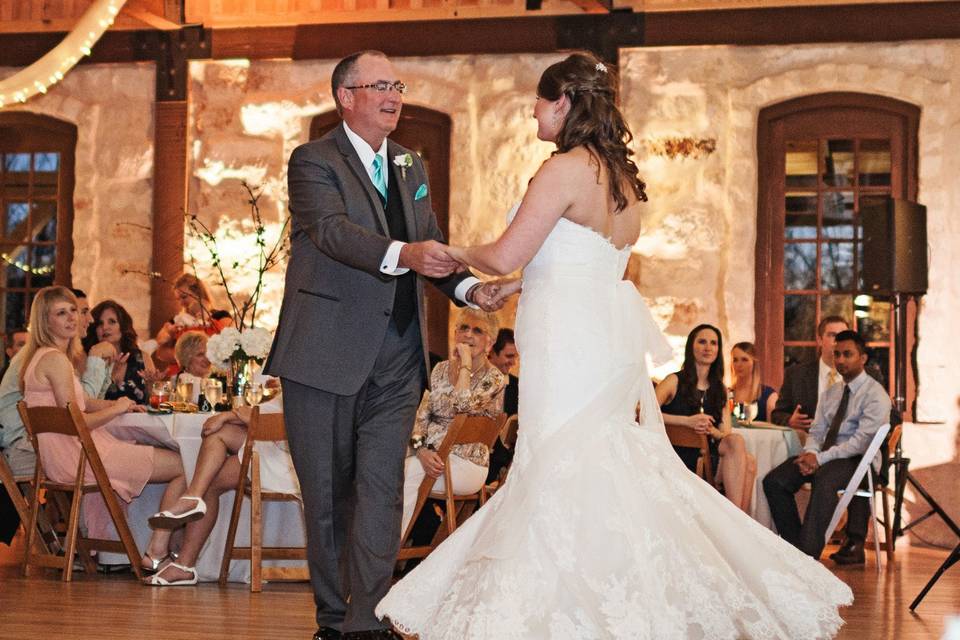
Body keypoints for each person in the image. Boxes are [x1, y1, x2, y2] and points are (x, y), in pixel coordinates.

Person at [376, 52, 852, 638]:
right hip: (593, 336)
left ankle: (562, 609)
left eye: (539, 100)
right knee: (592, 458)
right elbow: (585, 261)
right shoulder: (625, 182)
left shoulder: (563, 169)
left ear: (564, 103)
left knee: (556, 462)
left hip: (561, 339)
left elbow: (505, 251)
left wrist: (447, 254)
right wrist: (512, 286)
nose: (531, 110)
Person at [262, 50, 502, 639]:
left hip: (398, 356)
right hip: (323, 353)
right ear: (347, 97)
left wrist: (471, 289)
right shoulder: (312, 161)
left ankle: (366, 622)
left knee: (380, 492)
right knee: (325, 494)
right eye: (380, 86)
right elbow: (333, 232)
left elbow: (430, 244)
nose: (394, 95)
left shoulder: (411, 166)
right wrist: (405, 255)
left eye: (398, 84)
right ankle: (331, 618)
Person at [19, 286, 189, 573]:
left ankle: (146, 546)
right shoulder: (55, 360)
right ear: (45, 321)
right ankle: (158, 548)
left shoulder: (40, 358)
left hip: (63, 459)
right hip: (81, 458)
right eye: (62, 313)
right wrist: (117, 409)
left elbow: (80, 402)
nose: (72, 318)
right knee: (184, 465)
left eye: (73, 310)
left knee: (156, 453)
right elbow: (76, 421)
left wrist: (121, 403)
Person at [763, 330, 891, 565]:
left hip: (860, 463)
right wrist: (811, 452)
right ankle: (796, 549)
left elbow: (861, 443)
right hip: (826, 458)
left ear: (862, 359)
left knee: (824, 477)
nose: (840, 360)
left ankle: (808, 557)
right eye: (837, 354)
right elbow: (818, 431)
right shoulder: (831, 393)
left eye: (848, 354)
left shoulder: (876, 395)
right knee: (775, 481)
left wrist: (819, 460)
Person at [142, 396, 297, 586]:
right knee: (216, 440)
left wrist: (239, 417)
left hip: (302, 461)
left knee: (209, 478)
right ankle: (193, 498)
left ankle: (184, 562)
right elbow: (273, 407)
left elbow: (301, 421)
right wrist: (230, 416)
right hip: (277, 445)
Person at [400, 308, 506, 535]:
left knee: (406, 473)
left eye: (478, 331)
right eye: (464, 328)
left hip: (466, 465)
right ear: (455, 332)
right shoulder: (439, 370)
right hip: (429, 459)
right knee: (384, 470)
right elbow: (420, 420)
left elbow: (462, 406)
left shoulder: (494, 378)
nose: (468, 335)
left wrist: (466, 365)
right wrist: (421, 450)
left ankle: (385, 552)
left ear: (490, 342)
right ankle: (376, 548)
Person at [0, 289, 115, 478]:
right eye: (83, 311)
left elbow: (84, 403)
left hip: (44, 441)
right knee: (119, 459)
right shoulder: (46, 356)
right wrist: (96, 361)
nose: (90, 320)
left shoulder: (62, 354)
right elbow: (77, 411)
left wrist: (115, 403)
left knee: (116, 447)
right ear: (48, 319)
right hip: (26, 446)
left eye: (76, 311)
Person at [656, 324, 757, 512]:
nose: (708, 347)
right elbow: (646, 411)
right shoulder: (674, 380)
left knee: (741, 449)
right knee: (747, 461)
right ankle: (737, 521)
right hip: (680, 454)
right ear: (691, 347)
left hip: (708, 454)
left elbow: (725, 433)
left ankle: (736, 519)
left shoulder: (721, 389)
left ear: (718, 350)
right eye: (702, 341)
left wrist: (712, 430)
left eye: (714, 343)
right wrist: (687, 421)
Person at [770, 315, 849, 431]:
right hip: (808, 443)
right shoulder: (796, 374)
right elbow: (777, 415)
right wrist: (790, 421)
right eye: (832, 335)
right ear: (820, 339)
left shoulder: (866, 375)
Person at [83, 300, 159, 405]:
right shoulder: (90, 359)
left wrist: (151, 387)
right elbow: (86, 402)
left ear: (123, 326)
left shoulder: (142, 358)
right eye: (100, 324)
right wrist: (111, 376)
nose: (105, 327)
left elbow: (154, 406)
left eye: (112, 322)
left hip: (138, 421)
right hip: (103, 421)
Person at [150, 273, 231, 370]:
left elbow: (227, 343)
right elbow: (161, 352)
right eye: (178, 299)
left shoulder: (221, 316)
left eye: (184, 297)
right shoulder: (176, 321)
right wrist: (188, 356)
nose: (181, 303)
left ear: (199, 293)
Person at [485, 328, 519, 483]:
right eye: (509, 356)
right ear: (492, 352)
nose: (513, 362)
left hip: (500, 463)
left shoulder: (518, 386)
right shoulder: (472, 379)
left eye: (515, 356)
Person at [729, 341, 779, 423]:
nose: (739, 364)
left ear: (754, 363)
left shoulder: (769, 395)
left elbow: (773, 431)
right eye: (735, 360)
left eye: (744, 360)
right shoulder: (727, 394)